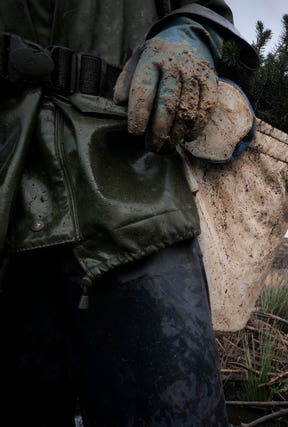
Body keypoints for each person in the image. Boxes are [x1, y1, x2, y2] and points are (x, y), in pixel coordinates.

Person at [0, 1, 258, 425]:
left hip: (134, 184)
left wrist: (191, 30)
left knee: (174, 404)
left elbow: (204, 7)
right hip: (7, 177)